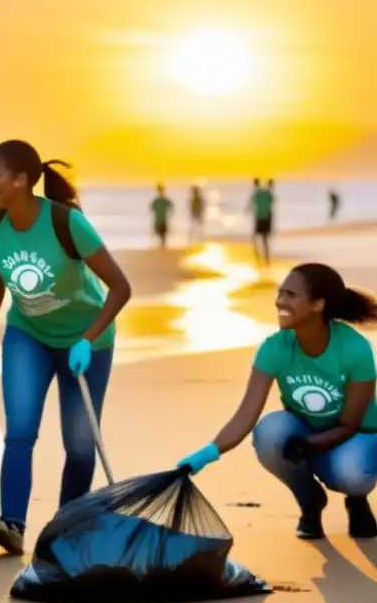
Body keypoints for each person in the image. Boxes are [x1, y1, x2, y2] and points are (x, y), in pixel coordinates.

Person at [0, 140, 132, 556]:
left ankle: (64, 529)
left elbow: (121, 287)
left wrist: (88, 340)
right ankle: (12, 524)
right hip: (28, 336)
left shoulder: (66, 223)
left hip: (85, 341)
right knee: (20, 431)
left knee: (79, 444)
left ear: (21, 180)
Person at [178, 263, 377, 541]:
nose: (280, 301)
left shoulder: (355, 349)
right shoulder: (275, 348)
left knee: (352, 474)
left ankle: (356, 500)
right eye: (280, 293)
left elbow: (349, 424)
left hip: (356, 436)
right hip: (308, 432)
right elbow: (245, 415)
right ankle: (310, 503)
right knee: (269, 432)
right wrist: (205, 455)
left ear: (318, 304)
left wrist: (309, 445)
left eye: (291, 295)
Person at [247, 177, 273, 267]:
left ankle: (258, 257)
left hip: (260, 219)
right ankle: (266, 258)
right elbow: (271, 208)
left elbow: (249, 206)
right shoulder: (268, 194)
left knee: (255, 238)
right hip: (266, 219)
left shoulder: (257, 194)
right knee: (264, 240)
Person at [150, 183, 173, 249]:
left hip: (161, 218)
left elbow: (152, 208)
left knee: (161, 233)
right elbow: (170, 206)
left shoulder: (160, 200)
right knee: (161, 234)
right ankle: (162, 245)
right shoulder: (159, 200)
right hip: (160, 218)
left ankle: (162, 245)